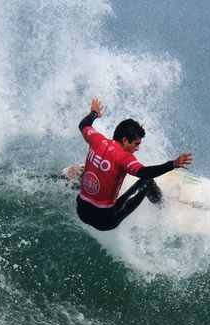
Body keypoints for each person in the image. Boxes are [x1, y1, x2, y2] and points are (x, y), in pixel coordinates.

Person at [76, 97, 193, 231]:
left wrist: (94, 113)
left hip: (82, 212)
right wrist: (172, 164)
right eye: (136, 144)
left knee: (88, 169)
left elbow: (83, 125)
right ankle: (164, 206)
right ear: (125, 140)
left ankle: (72, 182)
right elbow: (144, 173)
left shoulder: (96, 140)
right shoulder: (124, 157)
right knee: (147, 182)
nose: (137, 149)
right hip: (105, 221)